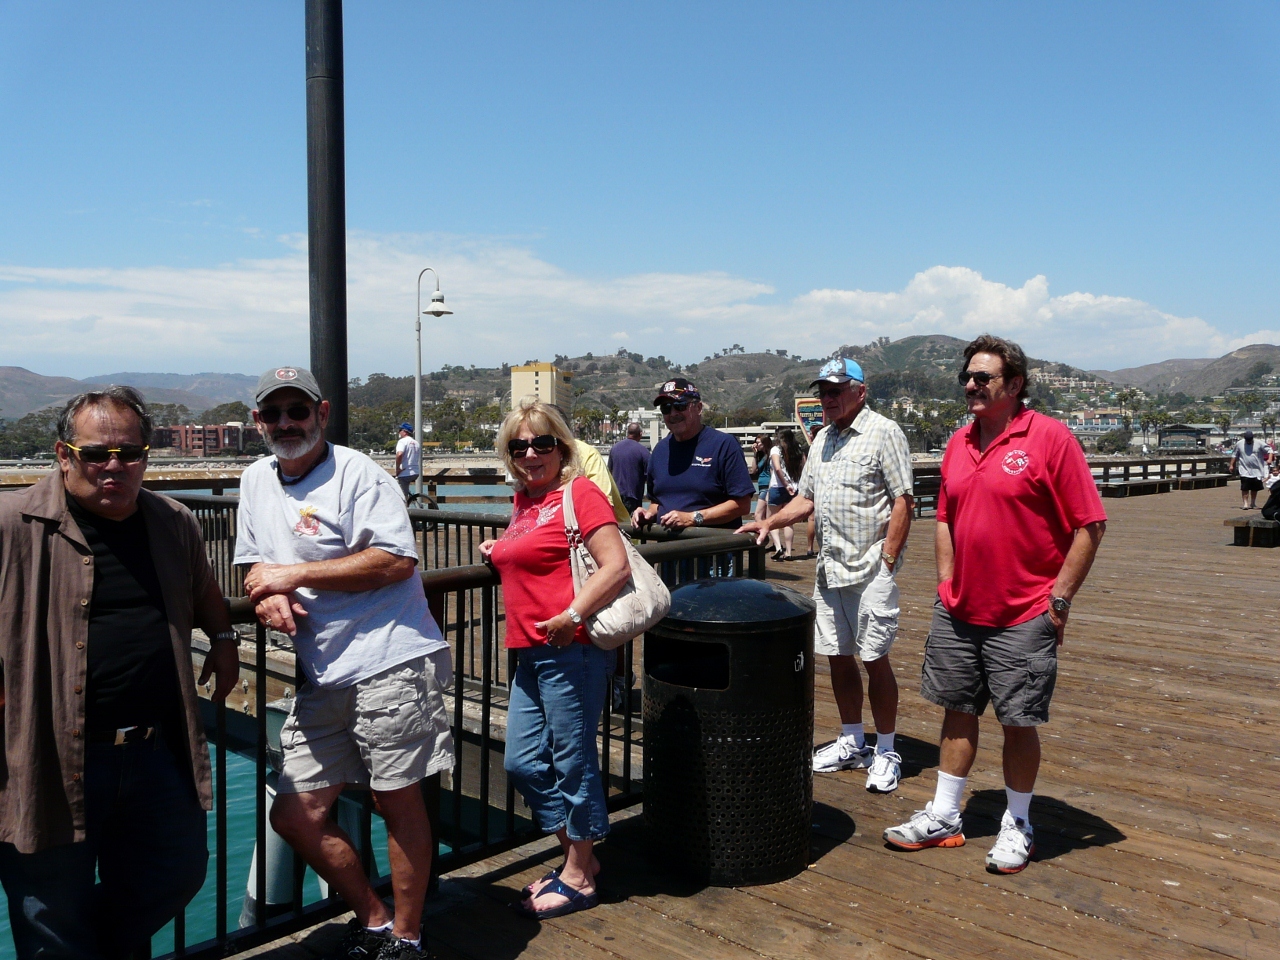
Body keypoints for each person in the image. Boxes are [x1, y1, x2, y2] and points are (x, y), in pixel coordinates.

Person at [0, 386, 240, 960]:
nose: (114, 467)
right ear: (63, 455)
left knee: (177, 871)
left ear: (145, 456)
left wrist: (224, 638)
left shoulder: (172, 521)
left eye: (129, 453)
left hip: (157, 752)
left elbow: (204, 587)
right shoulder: (12, 523)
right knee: (49, 911)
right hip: (47, 755)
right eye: (95, 454)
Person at [235, 367, 453, 960]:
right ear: (258, 421)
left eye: (297, 411)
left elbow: (395, 560)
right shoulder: (254, 480)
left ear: (322, 413)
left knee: (396, 800)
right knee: (294, 813)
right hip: (323, 672)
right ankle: (375, 919)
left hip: (390, 660)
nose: (286, 423)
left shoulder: (360, 474)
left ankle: (406, 937)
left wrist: (292, 574)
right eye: (273, 413)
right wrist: (264, 591)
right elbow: (252, 562)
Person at [883, 334, 1107, 875]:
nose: (971, 385)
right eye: (967, 377)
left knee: (1017, 721)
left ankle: (1019, 822)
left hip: (1024, 613)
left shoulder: (1050, 438)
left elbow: (1090, 524)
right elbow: (944, 517)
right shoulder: (958, 442)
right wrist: (946, 582)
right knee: (956, 710)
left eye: (982, 377)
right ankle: (944, 815)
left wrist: (1059, 600)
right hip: (959, 611)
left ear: (1015, 384)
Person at [478, 401, 630, 920]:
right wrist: (499, 548)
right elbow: (531, 552)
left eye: (542, 443)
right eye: (518, 446)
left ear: (561, 448)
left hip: (573, 649)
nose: (530, 454)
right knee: (522, 761)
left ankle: (580, 876)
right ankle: (578, 856)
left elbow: (615, 566)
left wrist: (572, 614)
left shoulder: (579, 493)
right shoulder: (524, 500)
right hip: (529, 651)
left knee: (573, 760)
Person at [740, 359, 913, 794]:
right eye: (823, 392)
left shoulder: (885, 432)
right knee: (837, 655)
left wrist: (888, 564)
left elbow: (903, 502)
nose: (828, 399)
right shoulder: (821, 441)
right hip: (830, 567)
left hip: (871, 569)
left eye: (836, 390)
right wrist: (769, 522)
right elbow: (806, 499)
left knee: (875, 658)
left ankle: (887, 749)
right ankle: (853, 740)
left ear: (860, 391)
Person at [630, 378, 754, 532]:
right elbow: (657, 502)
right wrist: (648, 514)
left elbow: (743, 505)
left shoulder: (724, 445)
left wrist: (693, 518)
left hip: (713, 546)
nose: (673, 413)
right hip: (668, 546)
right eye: (666, 408)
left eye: (680, 405)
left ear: (699, 408)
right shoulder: (659, 450)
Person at [765, 429, 804, 560]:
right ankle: (788, 552)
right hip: (794, 487)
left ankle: (778, 547)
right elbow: (803, 466)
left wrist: (785, 484)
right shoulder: (797, 449)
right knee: (788, 521)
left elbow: (777, 468)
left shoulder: (775, 450)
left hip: (778, 487)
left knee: (771, 519)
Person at [608, 422, 651, 515]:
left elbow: (609, 471)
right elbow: (650, 476)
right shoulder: (643, 451)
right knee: (632, 521)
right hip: (633, 497)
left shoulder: (614, 448)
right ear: (640, 434)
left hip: (616, 496)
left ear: (628, 433)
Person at [1229, 429, 1272, 510]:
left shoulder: (1259, 443)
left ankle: (1253, 503)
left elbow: (1270, 450)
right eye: (1247, 440)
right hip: (1244, 469)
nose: (1249, 441)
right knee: (1245, 487)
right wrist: (1231, 465)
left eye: (1250, 440)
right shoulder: (1239, 443)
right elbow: (1234, 454)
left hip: (1257, 470)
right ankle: (1245, 503)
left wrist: (1269, 459)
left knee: (1254, 488)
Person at [394, 422, 421, 504]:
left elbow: (399, 454)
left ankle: (405, 509)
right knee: (404, 489)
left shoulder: (402, 441)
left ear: (405, 431)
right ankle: (411, 502)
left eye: (400, 430)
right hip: (415, 472)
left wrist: (397, 468)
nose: (399, 432)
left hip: (405, 473)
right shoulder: (416, 443)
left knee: (402, 497)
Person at [748, 433, 772, 524]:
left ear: (765, 443)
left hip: (767, 487)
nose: (756, 445)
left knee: (758, 515)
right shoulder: (761, 456)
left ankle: (762, 531)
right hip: (761, 487)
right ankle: (765, 531)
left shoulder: (770, 456)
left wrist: (770, 488)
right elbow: (753, 470)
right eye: (756, 442)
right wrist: (755, 454)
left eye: (758, 443)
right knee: (764, 516)